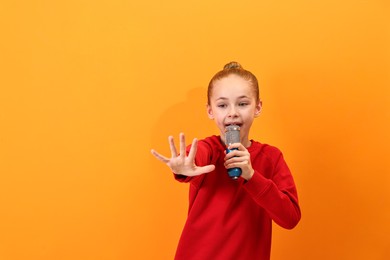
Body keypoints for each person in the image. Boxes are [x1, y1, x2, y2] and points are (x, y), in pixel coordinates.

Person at [151, 62, 301, 260]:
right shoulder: (209, 149)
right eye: (222, 105)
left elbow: (290, 218)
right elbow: (196, 158)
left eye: (242, 103)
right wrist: (185, 165)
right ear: (210, 111)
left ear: (257, 107)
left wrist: (252, 176)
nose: (232, 112)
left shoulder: (271, 158)